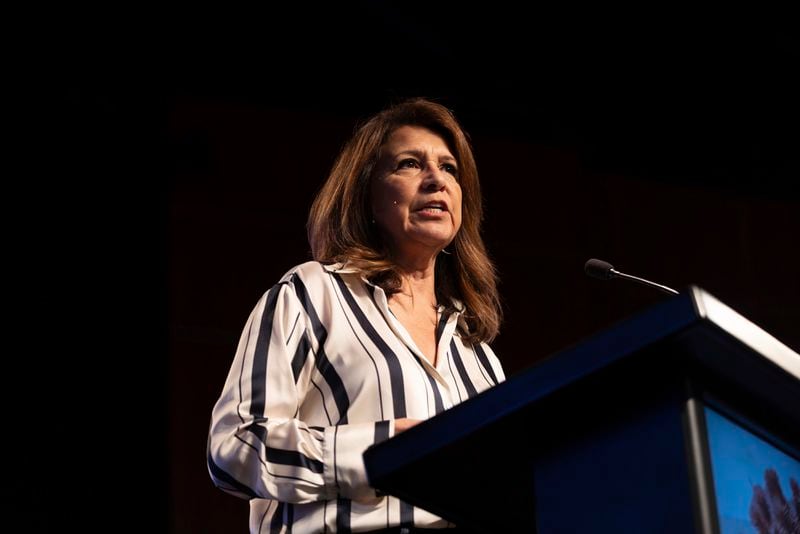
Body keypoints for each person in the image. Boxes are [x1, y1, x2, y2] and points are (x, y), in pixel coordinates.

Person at [207, 97, 505, 533]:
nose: (436, 180)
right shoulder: (312, 295)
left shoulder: (477, 356)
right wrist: (377, 452)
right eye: (409, 164)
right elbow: (234, 446)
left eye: (449, 169)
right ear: (366, 192)